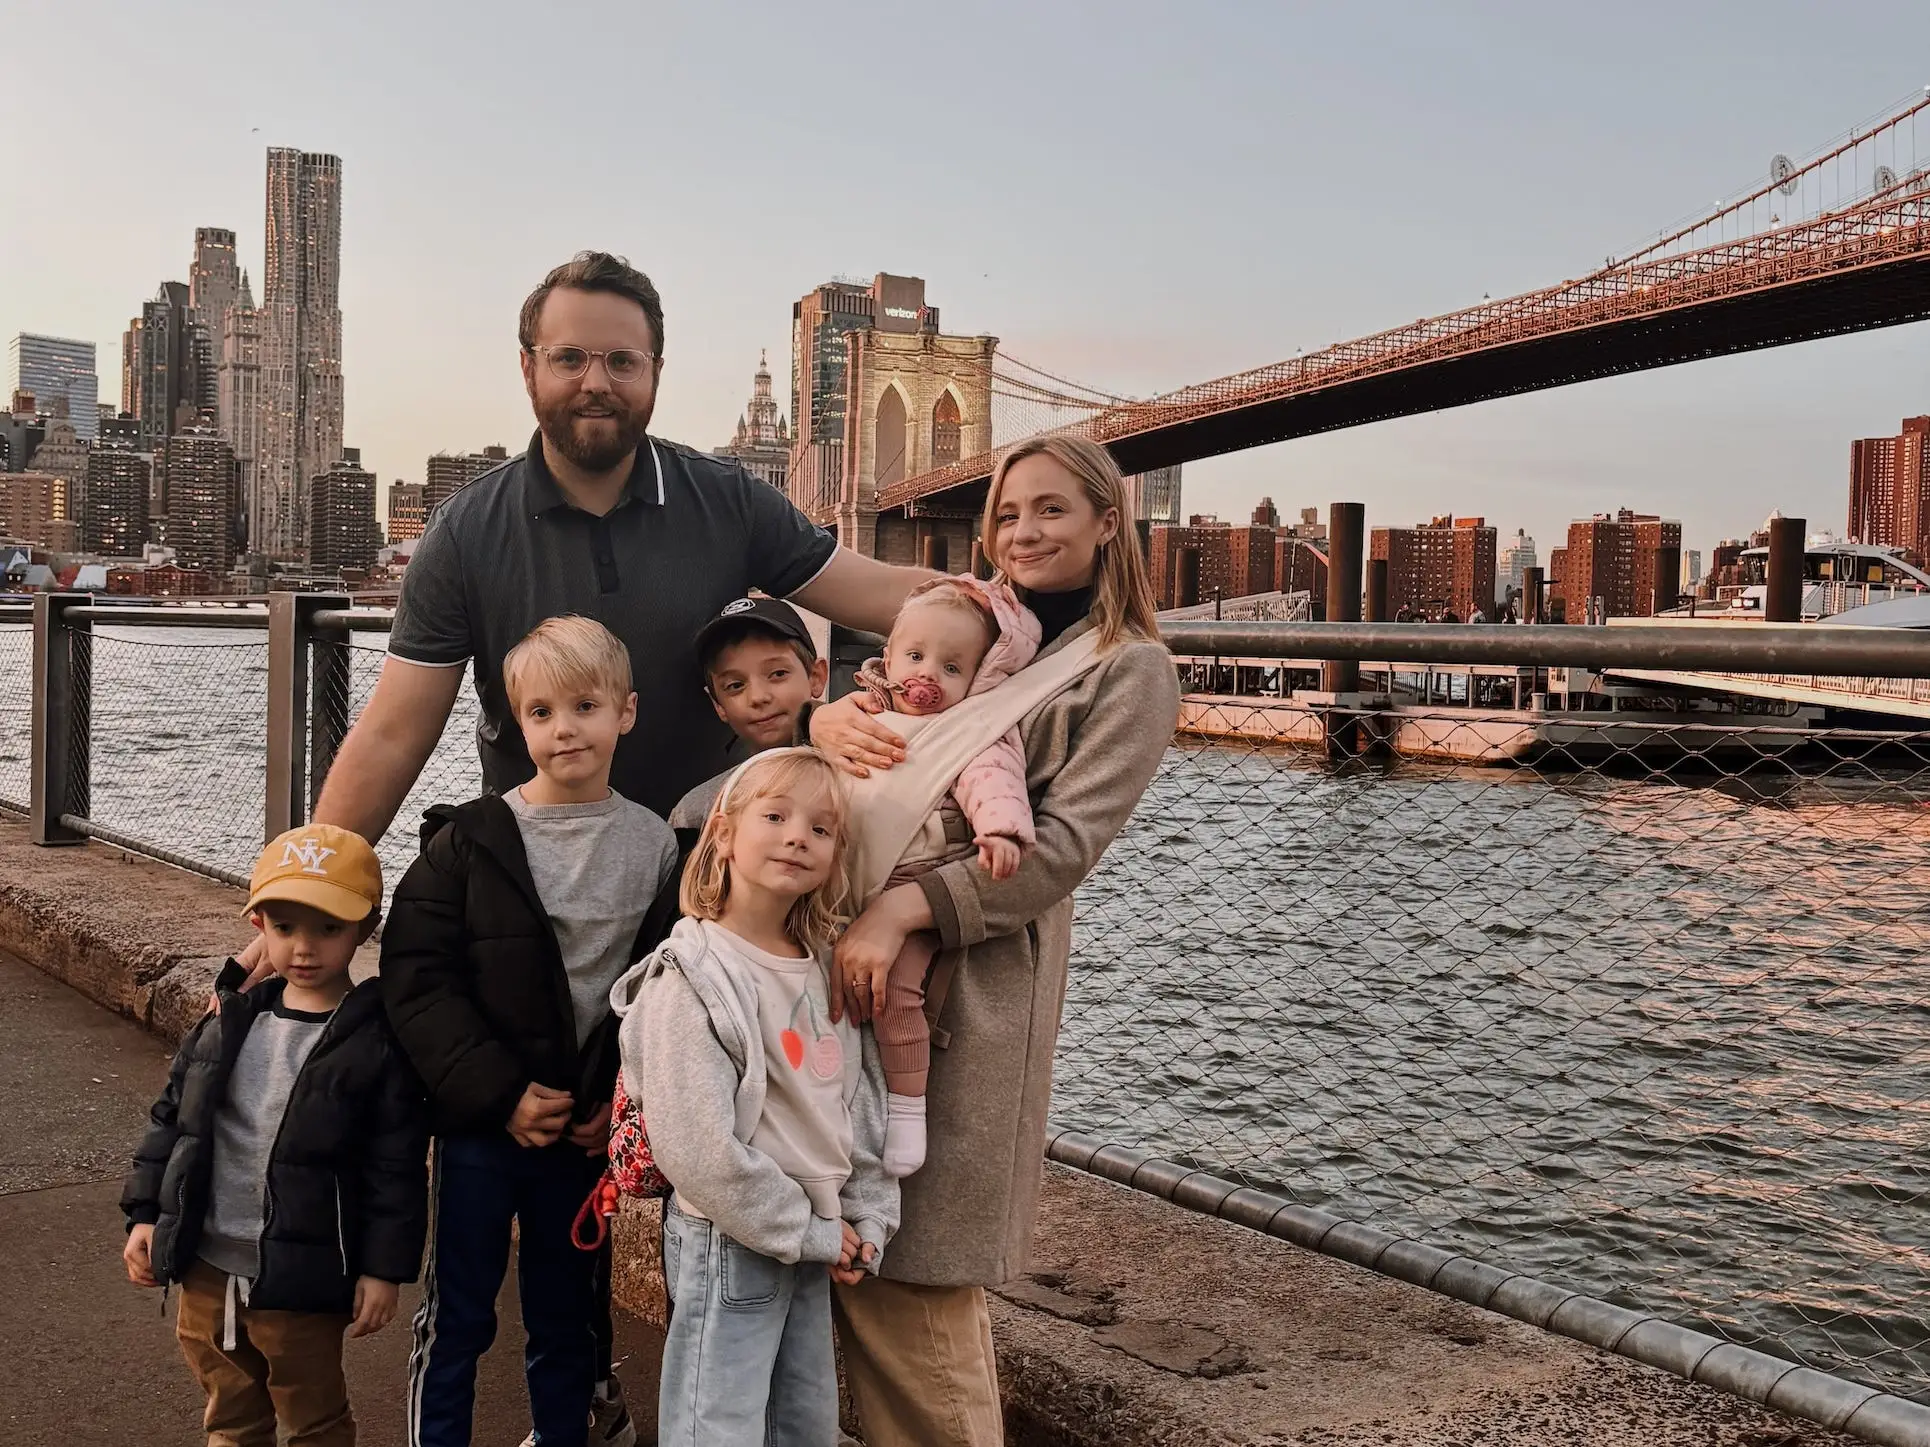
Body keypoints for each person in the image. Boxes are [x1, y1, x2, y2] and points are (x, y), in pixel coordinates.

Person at [809, 434, 1180, 1446]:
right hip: (847, 973)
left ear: (1110, 524)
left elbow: (1057, 852)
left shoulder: (1129, 670)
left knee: (919, 1295)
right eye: (1008, 513)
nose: (1022, 532)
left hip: (968, 996)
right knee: (850, 1263)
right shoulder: (956, 628)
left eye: (1053, 510)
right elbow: (883, 733)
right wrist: (827, 725)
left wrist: (900, 909)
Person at [380, 616, 679, 1447]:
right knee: (458, 1316)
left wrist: (611, 1101)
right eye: (541, 712)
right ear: (518, 724)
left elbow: (659, 992)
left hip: (582, 1133)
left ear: (626, 712)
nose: (563, 728)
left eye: (584, 705)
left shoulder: (655, 845)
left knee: (567, 1318)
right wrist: (498, 1092)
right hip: (483, 1124)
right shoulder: (467, 843)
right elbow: (417, 979)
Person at [610, 748, 898, 1446]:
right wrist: (812, 1230)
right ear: (725, 835)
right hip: (729, 1237)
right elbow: (697, 1146)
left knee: (803, 1421)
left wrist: (867, 1211)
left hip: (811, 1232)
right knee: (718, 1422)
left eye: (822, 828)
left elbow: (853, 1102)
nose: (800, 835)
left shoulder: (822, 965)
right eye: (776, 815)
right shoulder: (693, 976)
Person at [121, 825, 426, 1447]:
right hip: (206, 1264)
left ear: (365, 929)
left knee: (312, 1417)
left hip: (305, 1277)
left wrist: (381, 1270)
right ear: (259, 925)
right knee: (229, 1411)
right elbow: (173, 1122)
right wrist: (147, 1214)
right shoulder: (229, 1020)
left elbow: (393, 1168)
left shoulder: (376, 1041)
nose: (304, 948)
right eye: (285, 928)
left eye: (327, 928)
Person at [844, 574, 1041, 1178]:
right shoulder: (862, 711)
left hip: (916, 885)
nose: (927, 675)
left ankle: (906, 1109)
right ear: (889, 655)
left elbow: (994, 778)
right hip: (852, 881)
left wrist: (1002, 830)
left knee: (898, 989)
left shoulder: (971, 730)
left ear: (977, 679)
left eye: (952, 668)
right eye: (914, 656)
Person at [667, 595, 830, 854]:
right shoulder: (699, 811)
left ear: (816, 676)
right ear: (718, 705)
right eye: (735, 686)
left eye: (777, 674)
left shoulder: (857, 779)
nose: (758, 697)